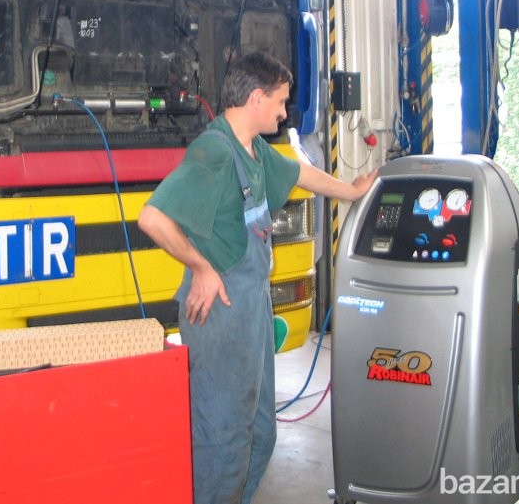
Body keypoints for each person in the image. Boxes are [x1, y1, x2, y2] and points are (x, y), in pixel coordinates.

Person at [138, 52, 377, 504]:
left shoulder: (254, 150)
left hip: (251, 311)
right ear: (255, 98)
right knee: (222, 443)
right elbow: (152, 217)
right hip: (222, 319)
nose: (285, 113)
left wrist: (351, 191)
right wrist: (201, 267)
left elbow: (299, 172)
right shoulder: (213, 151)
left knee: (261, 436)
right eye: (281, 102)